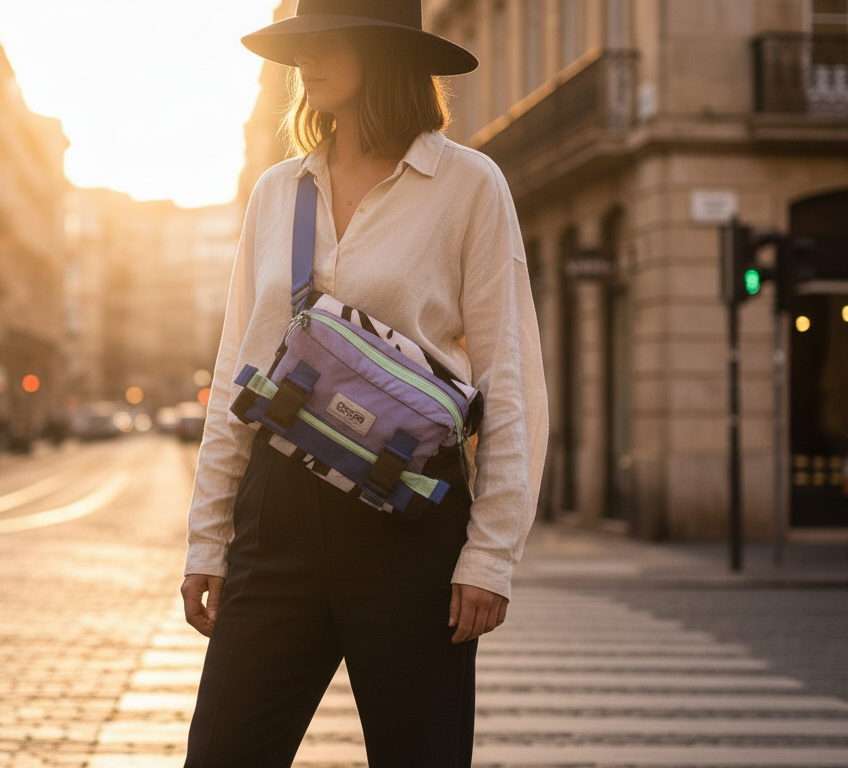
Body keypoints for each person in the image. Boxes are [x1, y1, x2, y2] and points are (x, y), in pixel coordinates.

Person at [179, 2, 548, 765]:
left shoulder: (468, 184)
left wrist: (490, 555)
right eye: (299, 43)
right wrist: (207, 539)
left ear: (384, 56)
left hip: (409, 521)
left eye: (327, 41)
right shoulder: (278, 190)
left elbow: (510, 376)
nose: (305, 59)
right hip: (277, 511)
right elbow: (235, 369)